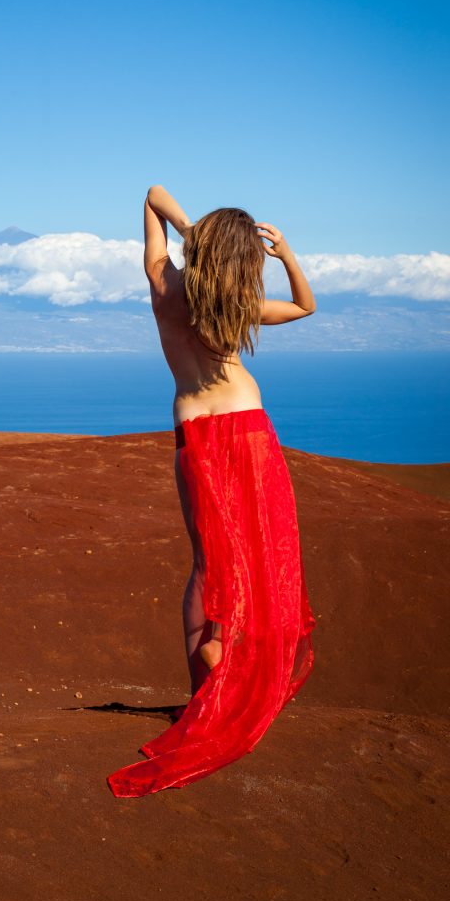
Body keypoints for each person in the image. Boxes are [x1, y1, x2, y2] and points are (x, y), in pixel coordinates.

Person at [106, 186, 317, 798]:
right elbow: (304, 307)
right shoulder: (237, 304)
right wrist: (287, 254)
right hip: (250, 429)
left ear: (202, 246)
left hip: (197, 435)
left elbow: (152, 195)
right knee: (260, 556)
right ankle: (236, 683)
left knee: (207, 565)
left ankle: (208, 694)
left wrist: (189, 230)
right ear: (241, 259)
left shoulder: (166, 288)